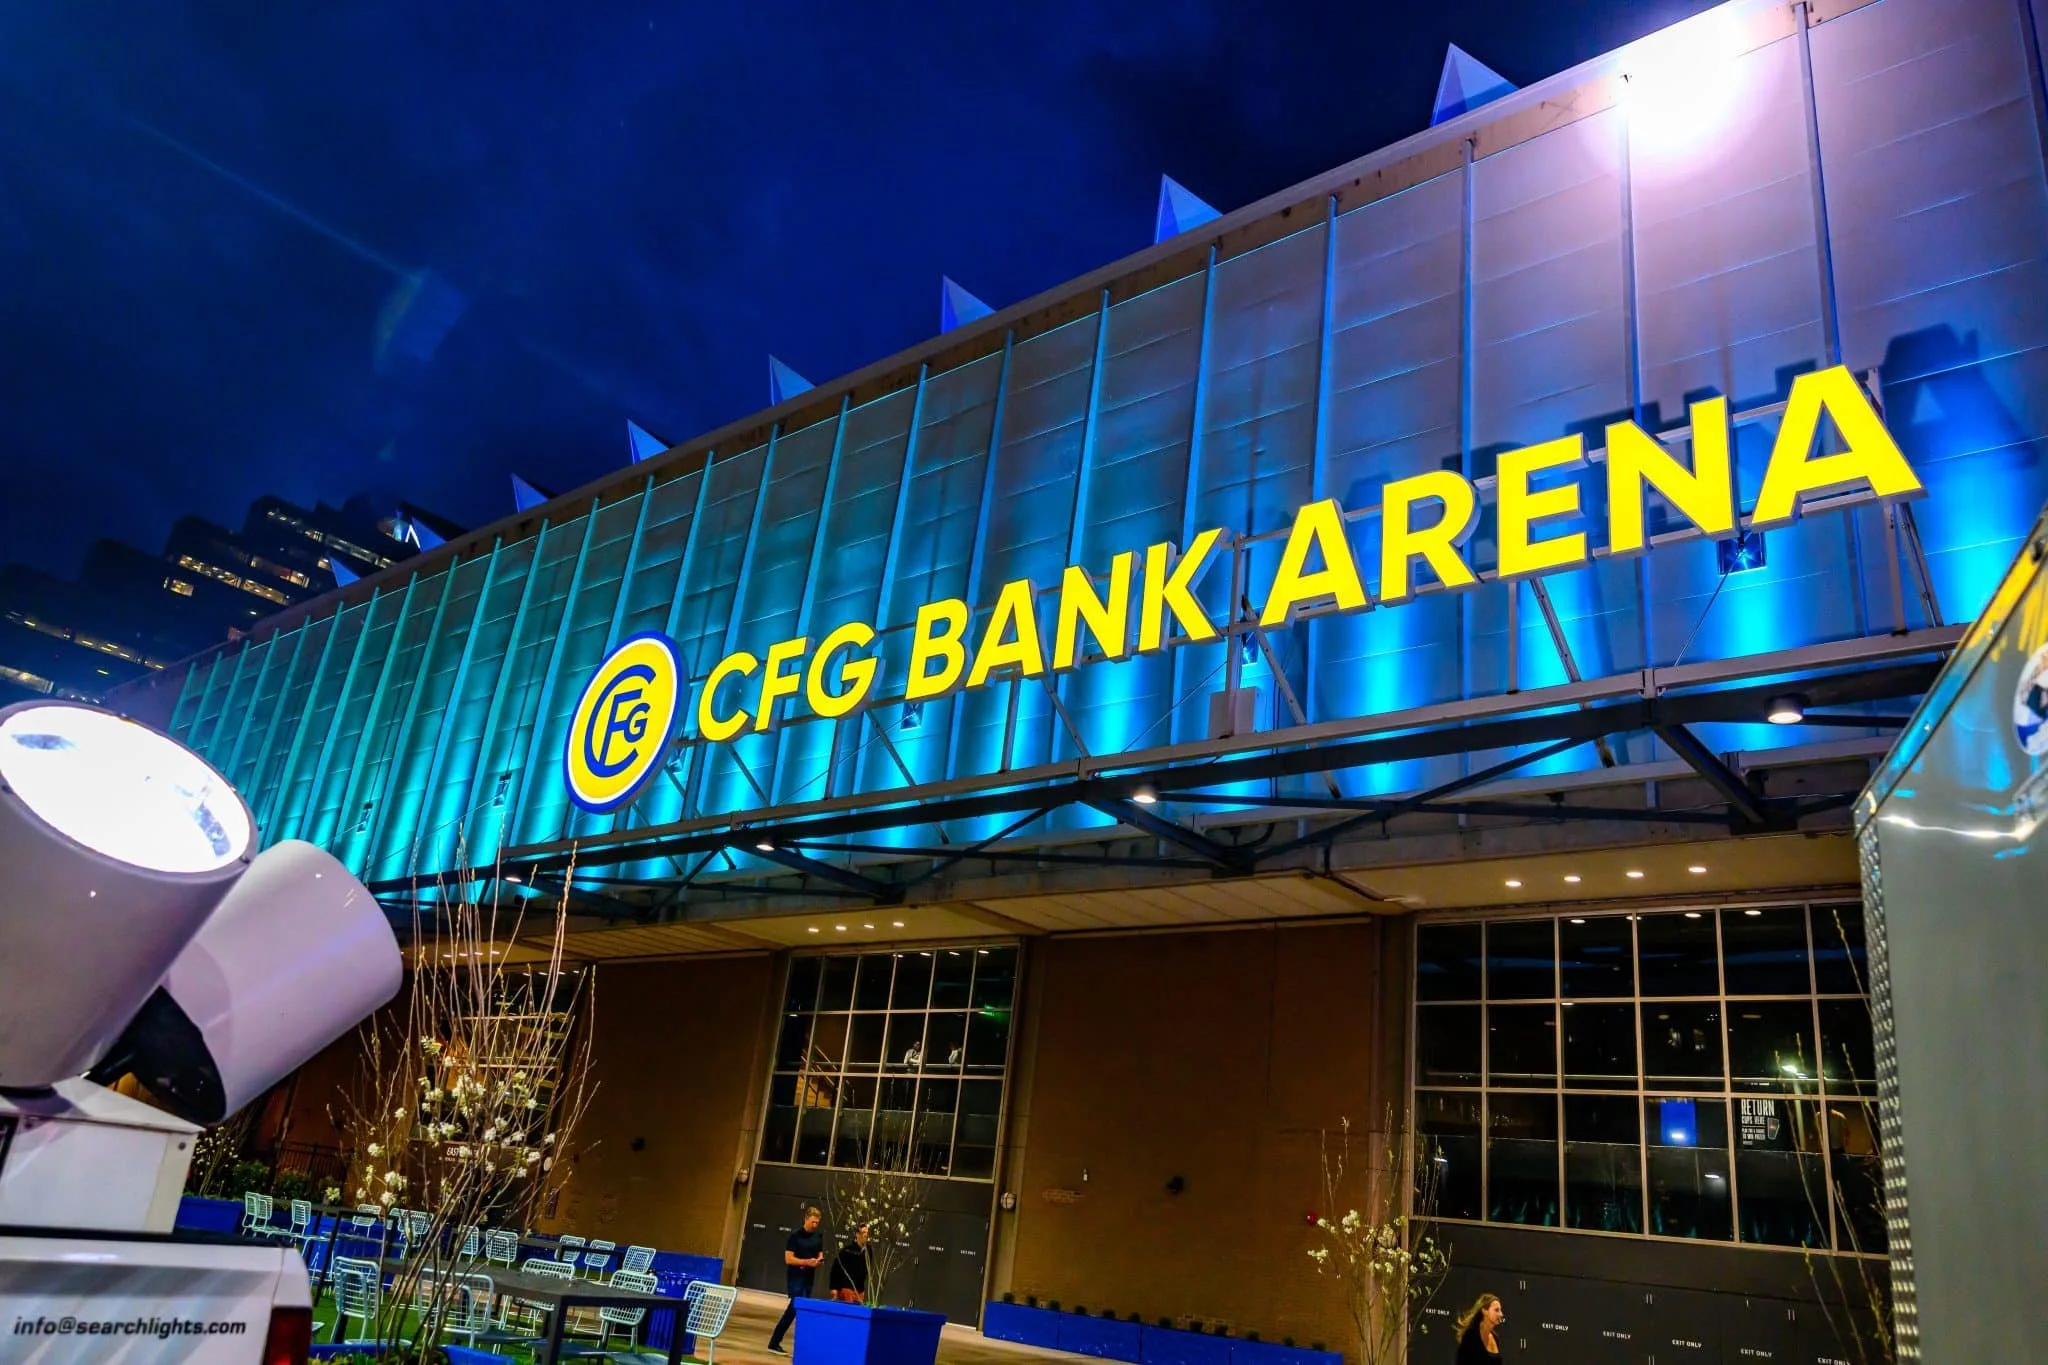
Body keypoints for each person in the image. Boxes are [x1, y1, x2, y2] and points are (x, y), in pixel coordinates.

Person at [766, 1205, 825, 1355]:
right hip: (795, 1277)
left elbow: (819, 1252)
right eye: (812, 1222)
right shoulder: (795, 1236)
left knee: (797, 1310)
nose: (815, 1225)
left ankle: (778, 1342)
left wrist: (819, 1259)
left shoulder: (818, 1236)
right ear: (805, 1219)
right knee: (796, 1307)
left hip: (808, 1278)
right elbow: (789, 1259)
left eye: (817, 1223)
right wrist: (806, 1262)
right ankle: (777, 1342)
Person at [1454, 1293, 1507, 1363]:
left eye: (1500, 1310)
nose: (1501, 1314)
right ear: (1485, 1311)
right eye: (1496, 1310)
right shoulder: (1470, 1336)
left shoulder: (1495, 1337)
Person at [829, 1222, 871, 1304]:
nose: (866, 1235)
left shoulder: (868, 1251)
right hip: (846, 1289)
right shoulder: (847, 1250)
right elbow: (836, 1269)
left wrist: (861, 1290)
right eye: (863, 1233)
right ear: (857, 1234)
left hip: (859, 1291)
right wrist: (834, 1288)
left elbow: (865, 1271)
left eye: (867, 1233)